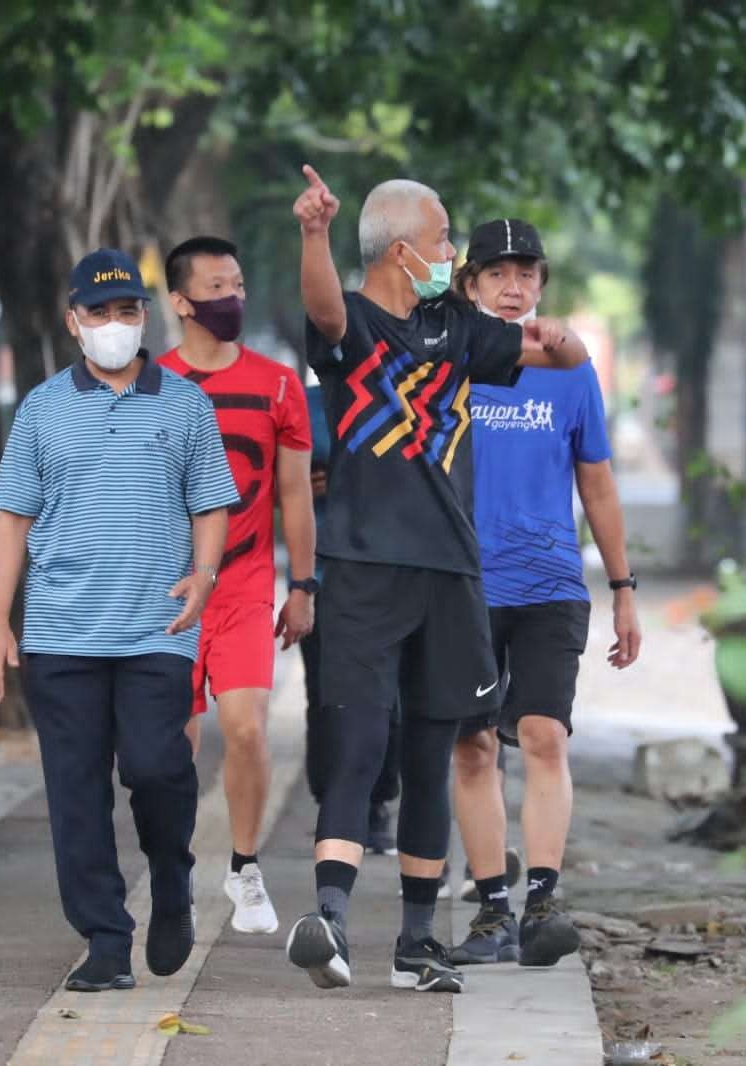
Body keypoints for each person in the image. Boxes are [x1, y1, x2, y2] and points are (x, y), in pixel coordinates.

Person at [284, 166, 589, 995]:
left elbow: (554, 350)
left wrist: (560, 336)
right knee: (358, 741)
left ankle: (417, 942)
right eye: (446, 237)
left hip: (452, 571)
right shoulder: (348, 327)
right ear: (406, 246)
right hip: (363, 567)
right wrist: (313, 232)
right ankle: (333, 921)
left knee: (430, 748)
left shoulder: (455, 326)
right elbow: (321, 306)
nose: (452, 252)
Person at [0, 249, 239, 991]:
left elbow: (211, 502)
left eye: (128, 311)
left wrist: (206, 573)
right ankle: (102, 936)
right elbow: (11, 523)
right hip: (61, 633)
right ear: (74, 322)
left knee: (158, 767)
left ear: (144, 317)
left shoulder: (185, 405)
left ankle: (171, 876)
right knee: (75, 791)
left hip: (156, 629)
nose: (115, 325)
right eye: (100, 313)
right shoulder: (41, 408)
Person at [445, 219, 643, 969]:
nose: (512, 285)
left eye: (525, 272)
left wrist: (623, 589)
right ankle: (492, 909)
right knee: (470, 748)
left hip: (551, 583)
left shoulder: (571, 372)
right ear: (468, 287)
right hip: (463, 585)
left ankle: (544, 902)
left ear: (542, 285)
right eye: (495, 273)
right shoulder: (450, 364)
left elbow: (596, 481)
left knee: (543, 736)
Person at [156, 236, 315, 936]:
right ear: (182, 302)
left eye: (238, 284)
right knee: (170, 747)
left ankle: (245, 867)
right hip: (164, 597)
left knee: (247, 727)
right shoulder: (149, 383)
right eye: (217, 288)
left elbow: (295, 497)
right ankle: (172, 871)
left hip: (247, 586)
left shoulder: (278, 384)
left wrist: (303, 585)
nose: (233, 300)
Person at [300, 383, 399, 856]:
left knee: (387, 697)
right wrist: (303, 478)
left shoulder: (396, 398)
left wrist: (343, 474)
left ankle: (377, 802)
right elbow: (282, 480)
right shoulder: (307, 403)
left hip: (390, 571)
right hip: (322, 572)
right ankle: (333, 805)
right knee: (325, 698)